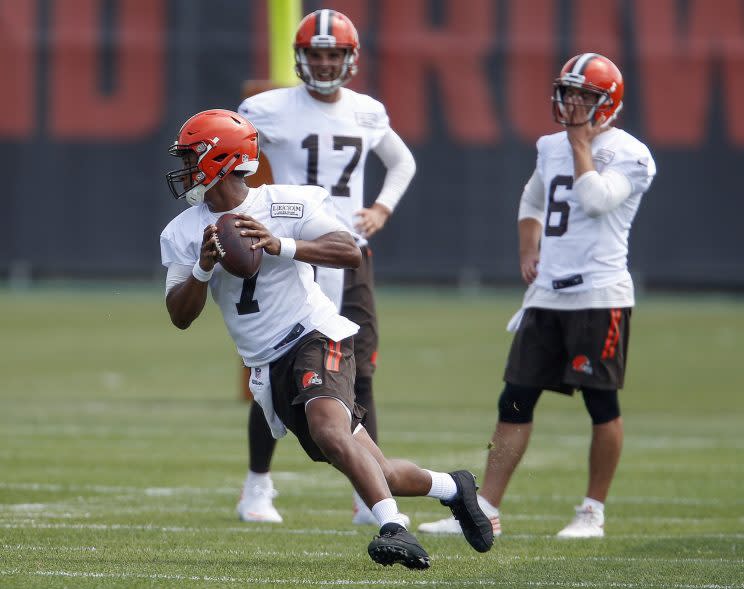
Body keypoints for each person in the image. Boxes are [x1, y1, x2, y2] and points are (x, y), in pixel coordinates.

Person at [159, 109, 493, 568]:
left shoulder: (286, 202)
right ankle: (454, 487)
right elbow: (179, 314)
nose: (186, 168)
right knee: (379, 471)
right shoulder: (180, 232)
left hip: (315, 334)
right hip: (267, 364)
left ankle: (395, 529)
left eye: (193, 156)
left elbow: (348, 251)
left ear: (221, 158)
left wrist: (281, 244)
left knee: (328, 429)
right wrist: (203, 266)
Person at [418, 53, 656, 539]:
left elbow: (593, 198)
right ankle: (486, 507)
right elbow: (532, 198)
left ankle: (592, 511)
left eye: (584, 95)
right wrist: (529, 247)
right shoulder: (550, 146)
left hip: (599, 294)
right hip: (548, 295)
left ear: (607, 104)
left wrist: (580, 143)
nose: (572, 104)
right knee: (516, 399)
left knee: (601, 403)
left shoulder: (631, 153)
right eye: (568, 93)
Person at [235, 8, 416, 525]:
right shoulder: (266, 108)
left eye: (332, 53)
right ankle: (257, 487)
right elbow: (233, 159)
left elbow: (402, 161)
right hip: (293, 257)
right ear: (300, 57)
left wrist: (381, 208)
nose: (323, 61)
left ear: (349, 58)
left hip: (349, 254)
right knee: (274, 373)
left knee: (362, 373)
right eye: (315, 53)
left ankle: (369, 495)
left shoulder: (365, 112)